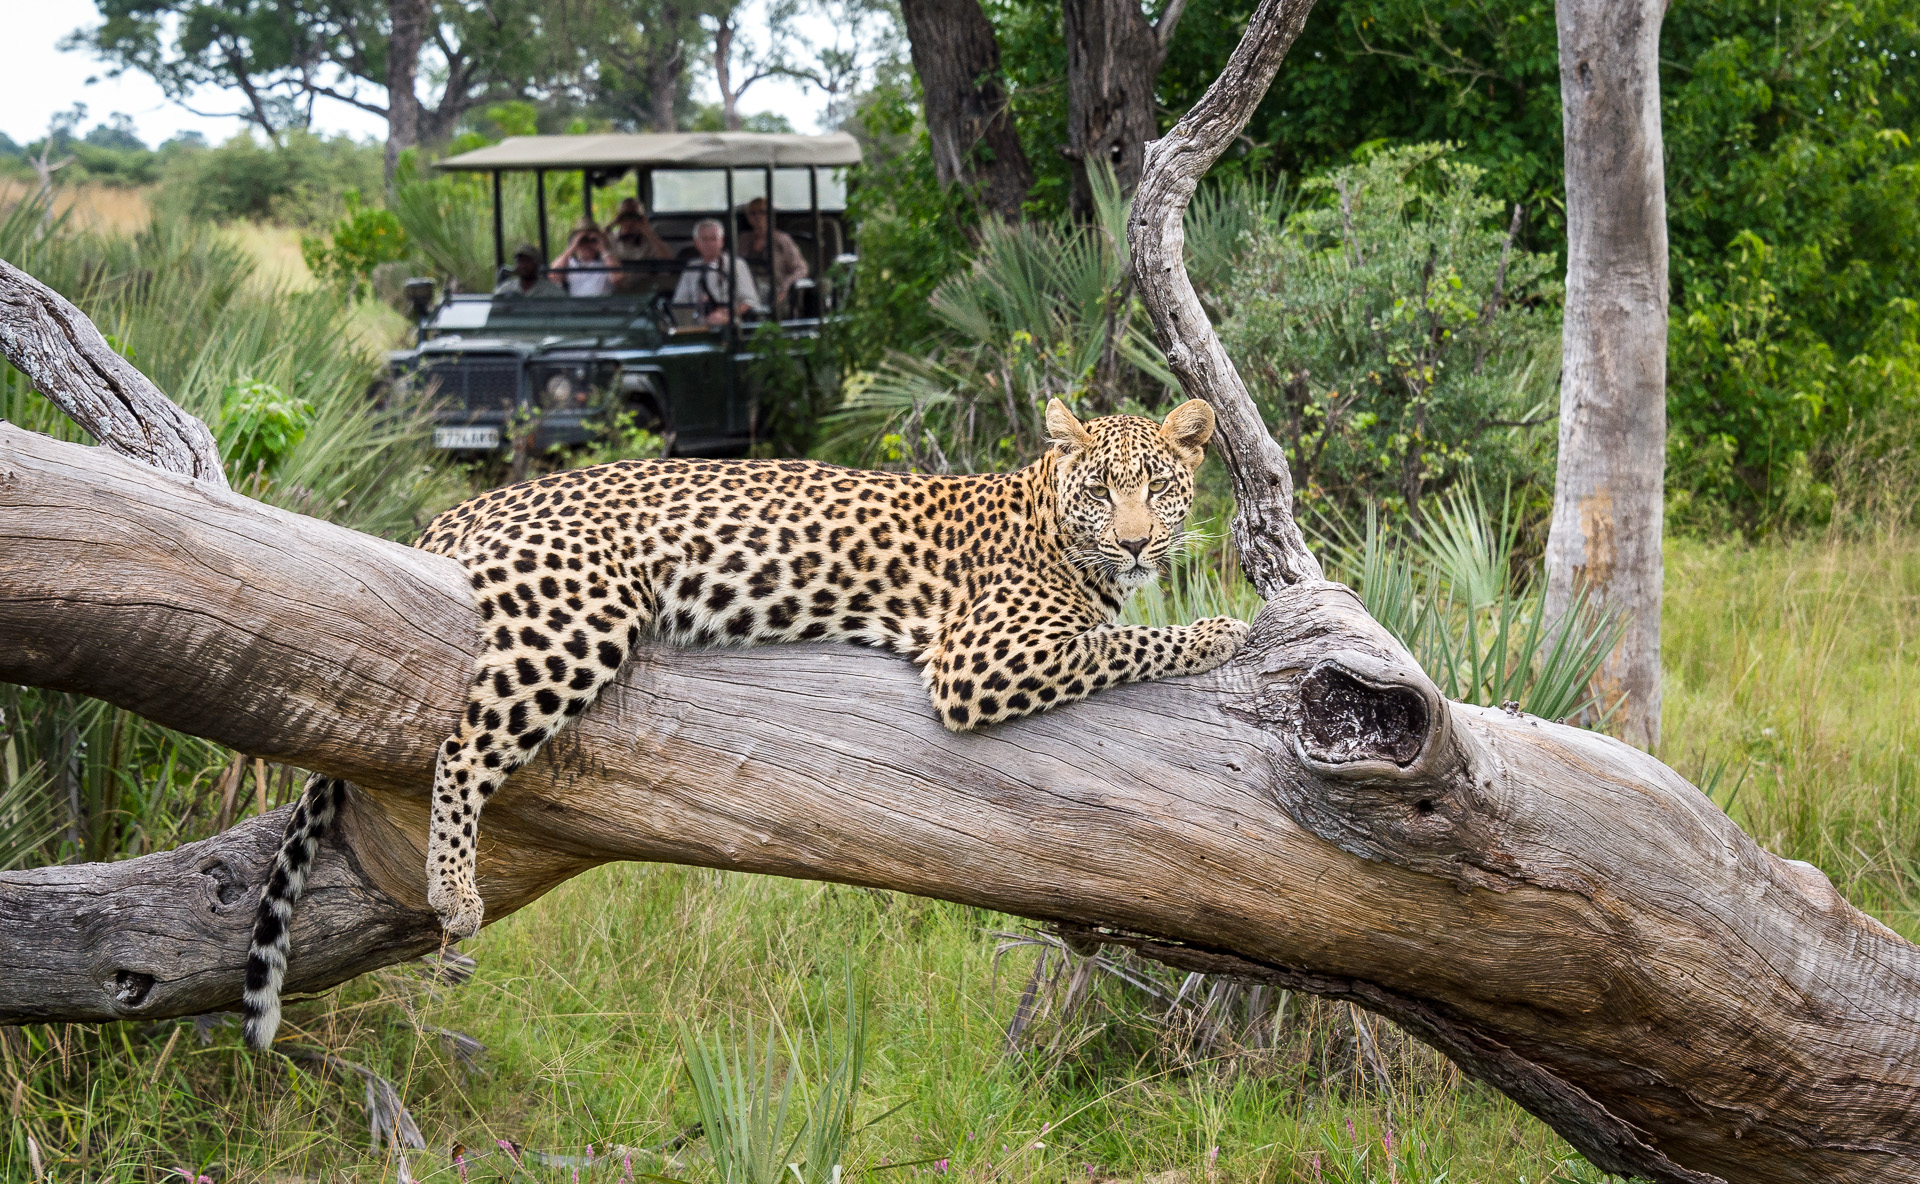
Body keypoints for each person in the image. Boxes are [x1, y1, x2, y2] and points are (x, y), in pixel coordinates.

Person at [672, 219, 762, 325]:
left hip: (730, 323)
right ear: (696, 243)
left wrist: (727, 314)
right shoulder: (692, 267)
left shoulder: (737, 265)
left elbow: (750, 301)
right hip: (697, 325)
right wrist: (698, 304)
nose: (709, 244)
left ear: (722, 241)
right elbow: (679, 302)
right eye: (704, 239)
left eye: (714, 239)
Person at [738, 196, 808, 313]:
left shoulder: (782, 240)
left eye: (762, 212)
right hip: (746, 291)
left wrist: (786, 286)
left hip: (775, 292)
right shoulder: (743, 240)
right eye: (753, 213)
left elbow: (801, 268)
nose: (757, 217)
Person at [604, 197, 672, 292]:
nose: (629, 221)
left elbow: (668, 262)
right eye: (625, 216)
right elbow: (594, 242)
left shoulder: (649, 241)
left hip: (642, 290)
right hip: (614, 290)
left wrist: (648, 230)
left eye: (633, 216)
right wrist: (612, 223)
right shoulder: (610, 238)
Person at [550, 222, 614, 297]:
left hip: (601, 307)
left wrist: (603, 249)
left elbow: (618, 278)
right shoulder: (569, 263)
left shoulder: (607, 262)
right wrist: (572, 247)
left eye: (593, 241)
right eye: (582, 241)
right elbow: (553, 276)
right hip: (576, 307)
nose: (587, 245)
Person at [494, 244, 564, 298]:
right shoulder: (506, 289)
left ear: (537, 264)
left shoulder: (551, 292)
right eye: (520, 261)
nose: (523, 266)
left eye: (527, 261)